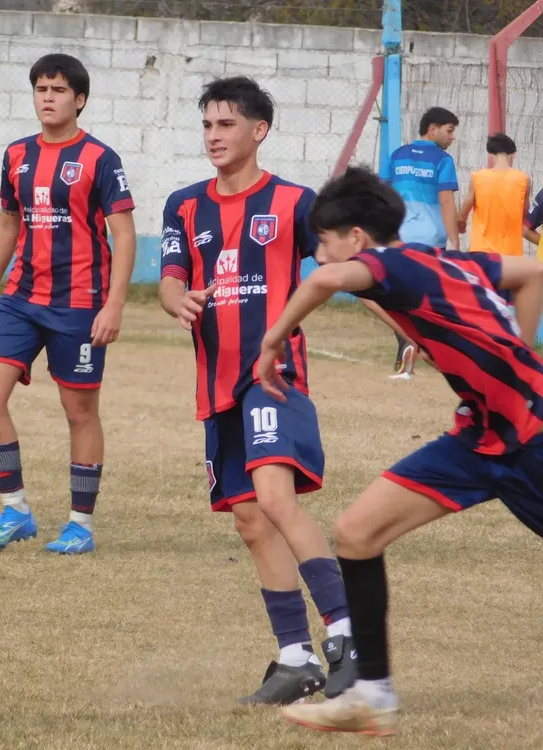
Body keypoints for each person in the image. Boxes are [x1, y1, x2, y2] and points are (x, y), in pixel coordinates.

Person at [260, 165, 543, 737]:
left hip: (531, 436)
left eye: (324, 240)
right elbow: (534, 272)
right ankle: (373, 694)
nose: (319, 253)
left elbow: (322, 282)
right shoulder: (448, 261)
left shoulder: (390, 265)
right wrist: (513, 349)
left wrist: (271, 343)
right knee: (356, 533)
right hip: (479, 438)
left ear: (356, 238)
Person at [158, 75, 356, 705]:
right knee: (249, 519)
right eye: (207, 125)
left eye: (226, 124)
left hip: (272, 375)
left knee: (273, 498)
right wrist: (176, 300)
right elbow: (169, 278)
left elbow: (344, 266)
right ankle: (296, 659)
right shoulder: (184, 205)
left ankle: (348, 636)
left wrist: (411, 320)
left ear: (258, 130)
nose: (213, 136)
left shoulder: (294, 202)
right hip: (215, 385)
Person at [0, 53, 137, 554]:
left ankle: (80, 525)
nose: (48, 98)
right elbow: (8, 223)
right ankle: (15, 510)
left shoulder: (100, 158)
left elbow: (124, 234)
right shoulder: (17, 154)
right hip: (20, 299)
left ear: (79, 100)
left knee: (79, 410)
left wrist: (114, 305)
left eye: (59, 90)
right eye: (41, 89)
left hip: (80, 303)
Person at [385, 106, 460, 376]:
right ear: (432, 129)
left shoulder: (397, 155)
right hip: (431, 240)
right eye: (449, 131)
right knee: (430, 296)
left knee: (396, 295)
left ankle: (406, 341)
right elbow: (446, 201)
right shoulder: (443, 160)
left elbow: (385, 195)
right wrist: (455, 241)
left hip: (399, 238)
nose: (452, 137)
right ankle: (429, 347)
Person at [458, 132, 532, 258]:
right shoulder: (523, 180)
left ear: (491, 155)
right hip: (511, 254)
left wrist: (462, 226)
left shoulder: (477, 178)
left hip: (482, 253)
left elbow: (462, 215)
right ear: (513, 154)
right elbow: (524, 215)